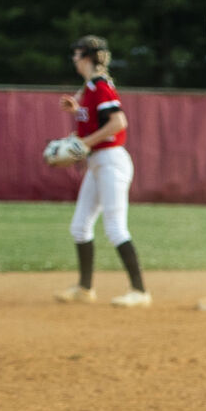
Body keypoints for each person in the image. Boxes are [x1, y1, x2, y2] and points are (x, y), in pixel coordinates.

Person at [53, 35, 150, 307]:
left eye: (76, 53)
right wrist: (77, 111)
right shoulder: (88, 89)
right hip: (98, 163)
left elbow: (119, 122)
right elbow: (97, 123)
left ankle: (140, 292)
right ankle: (85, 289)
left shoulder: (99, 85)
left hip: (111, 161)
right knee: (80, 227)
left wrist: (83, 143)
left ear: (86, 56)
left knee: (116, 228)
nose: (73, 58)